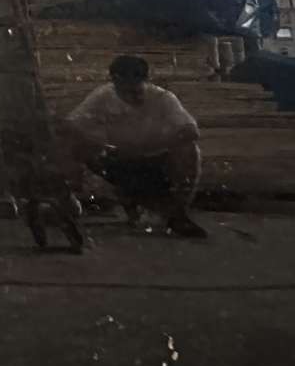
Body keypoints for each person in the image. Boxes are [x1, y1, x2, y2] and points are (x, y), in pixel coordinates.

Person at [63, 53, 206, 239]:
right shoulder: (103, 96)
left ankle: (178, 212)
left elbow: (191, 131)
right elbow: (70, 125)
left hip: (157, 160)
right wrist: (98, 143)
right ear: (114, 81)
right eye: (124, 87)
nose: (130, 93)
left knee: (189, 150)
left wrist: (151, 146)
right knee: (75, 146)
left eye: (135, 87)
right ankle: (69, 203)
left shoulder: (162, 98)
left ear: (145, 80)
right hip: (118, 159)